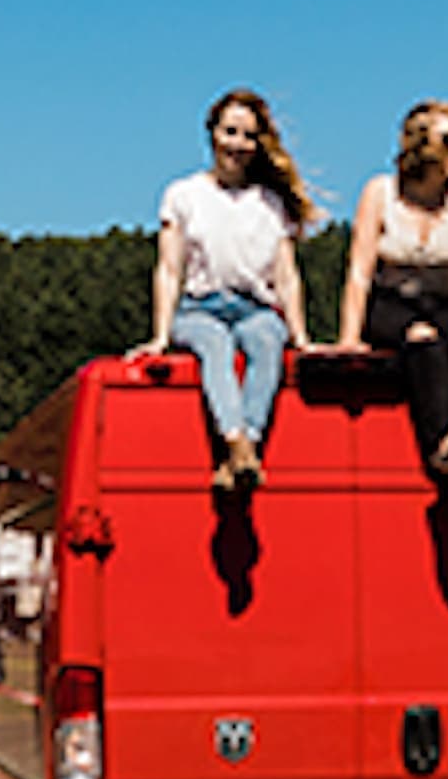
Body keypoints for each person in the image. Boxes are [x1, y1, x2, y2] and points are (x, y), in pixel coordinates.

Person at [132, 90, 314, 490]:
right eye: (230, 131)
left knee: (267, 343)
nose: (237, 143)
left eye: (248, 136)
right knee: (213, 345)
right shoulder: (183, 195)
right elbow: (168, 268)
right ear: (212, 133)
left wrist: (301, 337)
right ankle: (239, 446)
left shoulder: (271, 203)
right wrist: (161, 335)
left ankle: (244, 447)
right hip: (200, 307)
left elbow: (286, 276)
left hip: (256, 308)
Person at [336, 100, 448, 503]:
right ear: (420, 143)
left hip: (442, 301)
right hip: (389, 304)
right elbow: (360, 272)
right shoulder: (381, 192)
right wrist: (348, 340)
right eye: (447, 140)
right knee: (423, 342)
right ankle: (438, 453)